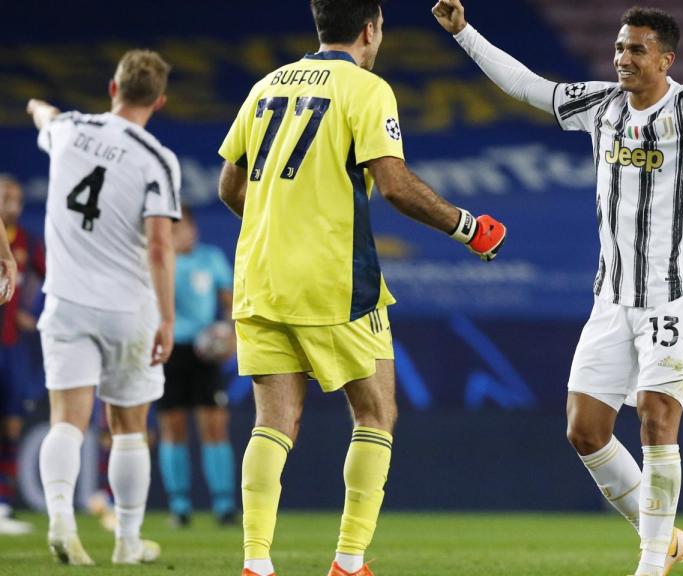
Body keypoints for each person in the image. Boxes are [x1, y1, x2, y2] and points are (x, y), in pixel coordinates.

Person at [432, 2, 683, 574]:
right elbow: (529, 87)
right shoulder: (600, 106)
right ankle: (666, 539)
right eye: (618, 48)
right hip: (611, 299)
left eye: (635, 49)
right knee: (584, 430)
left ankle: (650, 562)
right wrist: (463, 33)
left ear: (666, 58)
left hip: (673, 297)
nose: (622, 58)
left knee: (657, 417)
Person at [216, 1, 507, 575]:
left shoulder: (267, 85)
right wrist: (467, 227)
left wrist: (283, 222)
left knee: (272, 423)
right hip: (334, 280)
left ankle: (256, 563)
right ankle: (349, 563)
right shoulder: (366, 89)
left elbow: (230, 185)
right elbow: (394, 186)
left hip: (259, 277)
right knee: (375, 413)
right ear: (370, 30)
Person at [27, 48, 180, 565]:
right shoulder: (157, 159)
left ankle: (61, 522)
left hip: (66, 301)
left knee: (67, 421)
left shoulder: (69, 129)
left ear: (113, 88)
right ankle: (126, 542)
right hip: (126, 308)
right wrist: (167, 315)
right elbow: (159, 247)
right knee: (129, 426)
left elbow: (45, 116)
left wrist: (35, 108)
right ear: (158, 102)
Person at [157, 205, 236, 527]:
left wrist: (230, 335)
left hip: (206, 353)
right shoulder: (159, 261)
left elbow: (230, 301)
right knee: (173, 427)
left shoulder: (211, 258)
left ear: (193, 229)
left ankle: (225, 506)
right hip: (170, 351)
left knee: (214, 426)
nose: (179, 234)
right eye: (171, 230)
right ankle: (179, 506)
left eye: (183, 228)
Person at [0, 175, 44, 535]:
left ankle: (3, 503)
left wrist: (34, 311)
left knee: (12, 424)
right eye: (4, 198)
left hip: (12, 345)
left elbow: (51, 278)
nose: (10, 205)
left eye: (15, 199)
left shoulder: (28, 242)